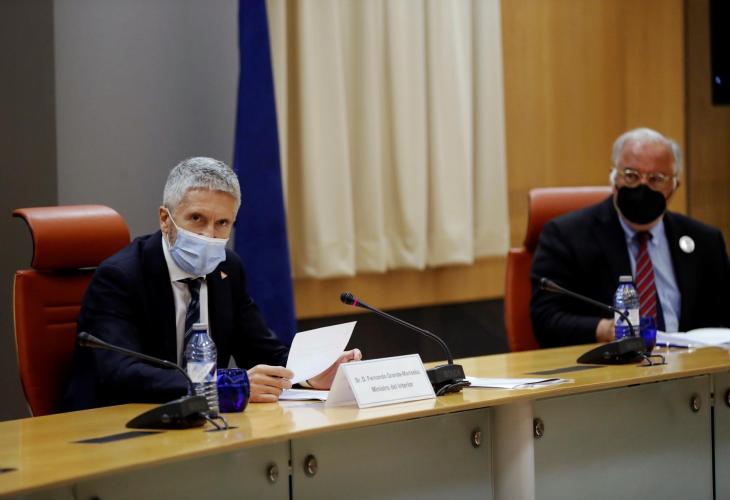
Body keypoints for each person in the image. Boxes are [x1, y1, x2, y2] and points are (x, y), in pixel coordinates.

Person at [63, 157, 361, 410]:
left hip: (198, 423)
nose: (209, 234)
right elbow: (122, 373)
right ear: (165, 219)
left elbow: (261, 350)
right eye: (197, 218)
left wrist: (310, 374)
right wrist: (223, 385)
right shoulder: (120, 277)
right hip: (116, 424)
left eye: (222, 223)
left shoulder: (227, 269)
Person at [530, 128, 730, 348]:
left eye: (656, 179)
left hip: (693, 363)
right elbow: (545, 319)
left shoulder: (705, 241)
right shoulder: (567, 235)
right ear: (614, 178)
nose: (642, 187)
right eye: (631, 176)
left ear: (674, 186)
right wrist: (605, 330)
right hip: (611, 363)